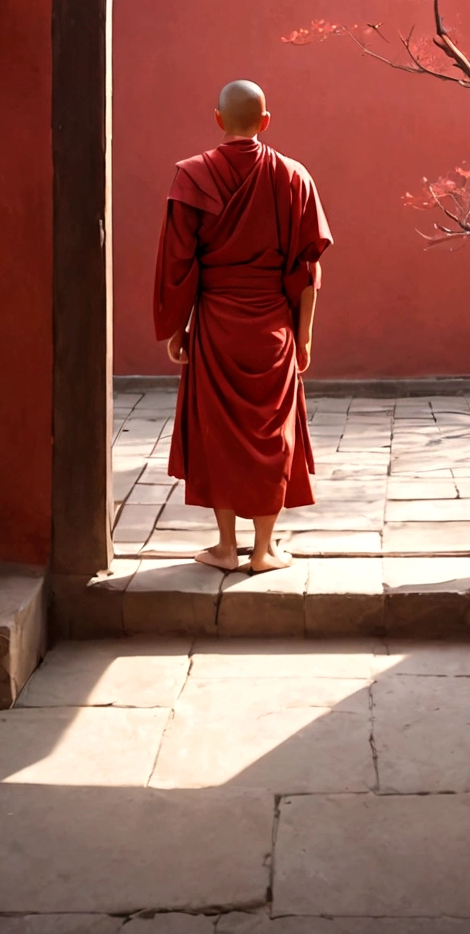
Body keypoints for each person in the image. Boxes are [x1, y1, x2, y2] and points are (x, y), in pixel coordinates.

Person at [153, 79, 332, 573]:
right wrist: (305, 335)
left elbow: (178, 263)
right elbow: (307, 272)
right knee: (273, 434)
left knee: (220, 436)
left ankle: (226, 548)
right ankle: (264, 550)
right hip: (273, 327)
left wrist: (176, 327)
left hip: (214, 326)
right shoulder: (294, 177)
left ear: (216, 119)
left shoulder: (190, 177)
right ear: (266, 121)